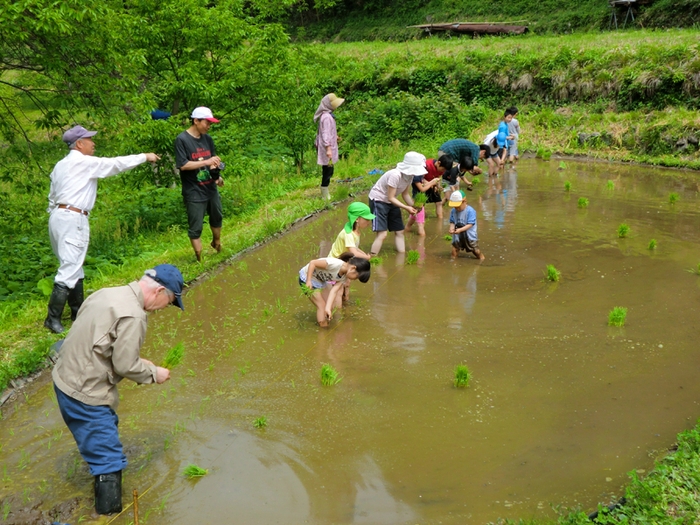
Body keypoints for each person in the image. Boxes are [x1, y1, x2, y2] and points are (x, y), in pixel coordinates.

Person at [52, 264, 185, 515]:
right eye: (168, 303)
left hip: (64, 379)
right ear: (159, 291)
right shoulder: (135, 315)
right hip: (85, 393)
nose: (162, 310)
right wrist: (155, 374)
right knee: (109, 461)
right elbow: (125, 364)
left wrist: (139, 362)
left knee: (103, 437)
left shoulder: (107, 293)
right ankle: (109, 516)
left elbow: (98, 339)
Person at [45, 125, 161, 334]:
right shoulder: (83, 162)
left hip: (58, 217)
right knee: (70, 266)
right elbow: (115, 164)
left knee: (73, 264)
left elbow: (52, 196)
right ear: (79, 144)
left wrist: (56, 214)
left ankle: (77, 311)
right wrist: (144, 156)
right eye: (90, 139)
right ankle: (52, 319)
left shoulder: (60, 165)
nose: (93, 143)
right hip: (73, 217)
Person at [174, 106, 224, 262]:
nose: (209, 126)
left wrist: (217, 176)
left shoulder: (208, 139)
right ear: (196, 121)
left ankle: (216, 242)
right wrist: (207, 161)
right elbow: (183, 165)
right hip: (194, 190)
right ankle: (199, 259)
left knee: (217, 216)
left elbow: (212, 162)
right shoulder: (182, 140)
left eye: (210, 123)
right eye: (206, 123)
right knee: (196, 226)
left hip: (210, 187)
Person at [367, 151, 426, 256]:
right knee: (382, 234)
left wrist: (414, 205)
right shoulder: (395, 175)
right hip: (378, 200)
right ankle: (372, 257)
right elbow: (390, 197)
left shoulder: (410, 176)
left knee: (399, 231)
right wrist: (406, 207)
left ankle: (401, 256)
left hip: (392, 200)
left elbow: (405, 194)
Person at [299, 253, 370, 327]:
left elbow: (334, 291)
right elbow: (313, 263)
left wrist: (328, 308)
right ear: (353, 268)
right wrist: (308, 280)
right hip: (307, 277)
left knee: (330, 306)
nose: (355, 280)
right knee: (321, 306)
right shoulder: (335, 264)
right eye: (356, 277)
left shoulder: (344, 277)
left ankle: (323, 321)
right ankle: (323, 329)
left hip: (320, 280)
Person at [328, 202, 375, 302]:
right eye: (366, 219)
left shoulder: (355, 231)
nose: (369, 222)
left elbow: (354, 248)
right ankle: (339, 313)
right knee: (338, 290)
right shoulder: (348, 234)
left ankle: (346, 303)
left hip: (345, 262)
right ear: (357, 219)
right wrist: (365, 258)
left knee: (347, 284)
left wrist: (363, 254)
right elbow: (353, 252)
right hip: (336, 264)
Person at [314, 93, 345, 200]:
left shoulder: (327, 115)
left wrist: (335, 136)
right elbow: (325, 133)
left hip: (328, 145)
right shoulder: (326, 117)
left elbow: (327, 131)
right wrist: (328, 149)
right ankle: (324, 192)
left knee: (329, 169)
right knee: (328, 170)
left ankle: (325, 190)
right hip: (327, 147)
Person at [404, 160, 443, 236]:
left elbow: (424, 183)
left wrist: (433, 184)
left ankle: (406, 229)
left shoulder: (419, 175)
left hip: (418, 199)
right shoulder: (416, 176)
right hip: (418, 198)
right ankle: (421, 239)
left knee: (413, 216)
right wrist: (432, 182)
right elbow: (422, 189)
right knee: (421, 225)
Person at [448, 191, 485, 261]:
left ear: (465, 202)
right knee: (454, 250)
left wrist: (460, 230)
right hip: (457, 236)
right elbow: (452, 221)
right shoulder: (453, 211)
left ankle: (482, 259)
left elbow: (470, 224)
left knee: (476, 251)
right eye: (455, 206)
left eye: (458, 206)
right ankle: (453, 263)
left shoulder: (470, 211)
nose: (456, 208)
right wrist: (451, 228)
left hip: (470, 236)